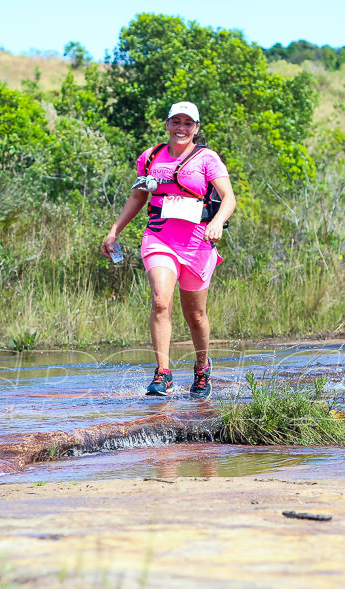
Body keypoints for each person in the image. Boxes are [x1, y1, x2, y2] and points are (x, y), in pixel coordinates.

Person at [101, 101, 236, 398]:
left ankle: (202, 369)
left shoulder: (207, 158)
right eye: (176, 121)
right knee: (161, 301)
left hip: (197, 242)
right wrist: (114, 231)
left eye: (188, 123)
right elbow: (137, 197)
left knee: (195, 315)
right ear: (167, 124)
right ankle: (163, 373)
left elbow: (229, 198)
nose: (181, 128)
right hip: (159, 237)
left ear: (196, 128)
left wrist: (217, 222)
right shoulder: (151, 157)